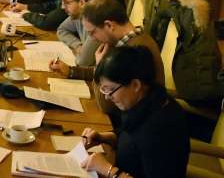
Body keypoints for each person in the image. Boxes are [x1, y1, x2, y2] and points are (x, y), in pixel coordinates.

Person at [49, 0, 164, 124]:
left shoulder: (133, 51)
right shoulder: (131, 39)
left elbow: (106, 106)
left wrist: (99, 65)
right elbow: (112, 76)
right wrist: (71, 71)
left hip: (132, 125)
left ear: (109, 25)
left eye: (93, 32)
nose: (92, 39)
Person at [80, 46, 189, 178]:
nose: (107, 97)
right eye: (104, 90)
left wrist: (107, 169)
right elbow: (130, 136)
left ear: (135, 85)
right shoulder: (145, 102)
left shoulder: (160, 128)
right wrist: (103, 137)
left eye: (110, 90)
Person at [56, 0, 101, 66]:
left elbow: (82, 62)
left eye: (66, 2)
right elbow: (61, 30)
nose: (62, 7)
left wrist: (80, 53)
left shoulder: (96, 23)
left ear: (82, 3)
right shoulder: (78, 14)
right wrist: (77, 46)